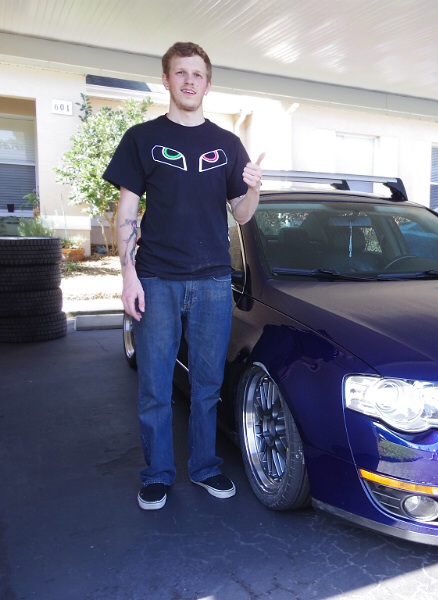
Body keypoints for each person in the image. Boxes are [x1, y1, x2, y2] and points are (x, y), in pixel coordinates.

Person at [103, 41, 264, 510]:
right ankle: (156, 474)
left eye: (197, 74)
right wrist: (128, 275)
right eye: (180, 73)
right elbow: (126, 212)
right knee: (154, 384)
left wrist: (253, 187)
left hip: (214, 281)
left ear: (208, 84)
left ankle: (205, 467)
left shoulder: (228, 144)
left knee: (207, 384)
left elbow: (242, 214)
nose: (189, 81)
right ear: (167, 80)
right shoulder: (142, 139)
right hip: (156, 279)